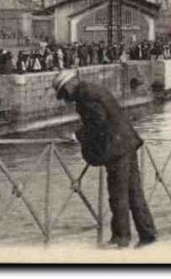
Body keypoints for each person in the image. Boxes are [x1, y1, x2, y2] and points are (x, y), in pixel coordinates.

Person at [51, 71, 157, 248]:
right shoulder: (92, 89)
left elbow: (97, 121)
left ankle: (121, 238)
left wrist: (77, 136)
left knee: (118, 195)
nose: (66, 98)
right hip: (127, 143)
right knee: (134, 192)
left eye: (64, 93)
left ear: (69, 85)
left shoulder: (85, 95)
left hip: (116, 147)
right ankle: (148, 235)